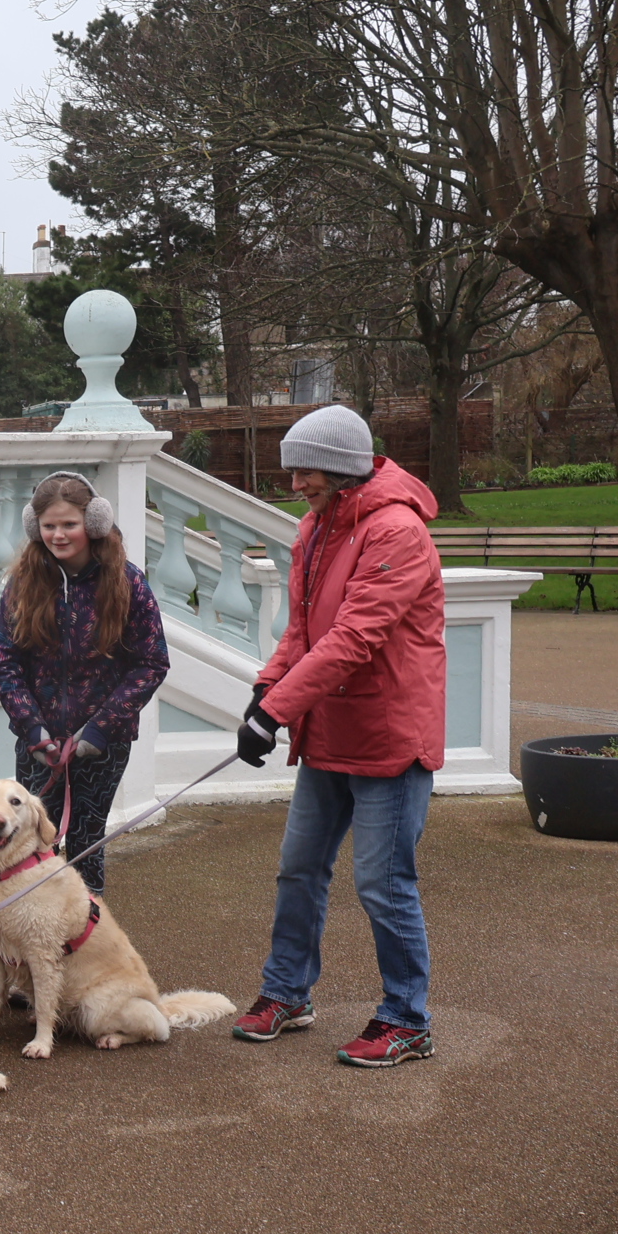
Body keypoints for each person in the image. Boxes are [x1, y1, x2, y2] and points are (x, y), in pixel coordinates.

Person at [231, 406, 444, 1068]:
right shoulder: (316, 529)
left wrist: (278, 713)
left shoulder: (398, 533)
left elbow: (354, 638)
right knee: (299, 868)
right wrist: (267, 690)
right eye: (292, 469)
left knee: (383, 883)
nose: (296, 482)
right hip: (330, 731)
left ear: (346, 467)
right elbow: (301, 632)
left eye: (306, 469)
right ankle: (287, 993)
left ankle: (407, 1018)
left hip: (388, 735)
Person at [0, 471, 169, 895]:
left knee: (87, 843)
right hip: (38, 744)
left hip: (102, 743)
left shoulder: (128, 582)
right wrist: (33, 729)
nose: (58, 534)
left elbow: (151, 662)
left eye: (69, 524)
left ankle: (88, 942)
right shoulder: (23, 583)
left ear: (94, 523)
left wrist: (101, 728)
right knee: (29, 843)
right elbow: (4, 662)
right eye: (49, 525)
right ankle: (31, 936)